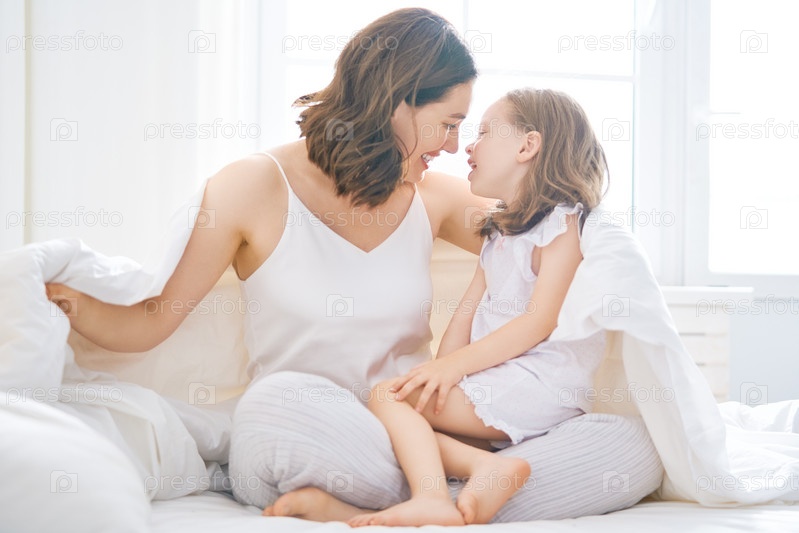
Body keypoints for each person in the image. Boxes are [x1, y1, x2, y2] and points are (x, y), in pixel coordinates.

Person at [46, 8, 662, 523]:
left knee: (630, 445)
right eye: (448, 124)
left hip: (421, 435)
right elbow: (152, 319)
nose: (454, 146)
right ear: (396, 103)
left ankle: (409, 503)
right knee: (275, 404)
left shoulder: (432, 196)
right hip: (311, 429)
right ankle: (452, 495)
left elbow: (552, 227)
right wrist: (60, 300)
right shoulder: (254, 186)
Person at [346, 88, 609, 527]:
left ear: (527, 146)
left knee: (386, 396)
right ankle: (456, 480)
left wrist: (451, 370)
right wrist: (441, 372)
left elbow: (539, 320)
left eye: (484, 132)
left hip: (540, 383)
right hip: (498, 380)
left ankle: (437, 494)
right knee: (408, 426)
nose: (467, 145)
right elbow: (467, 312)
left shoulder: (562, 223)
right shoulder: (499, 230)